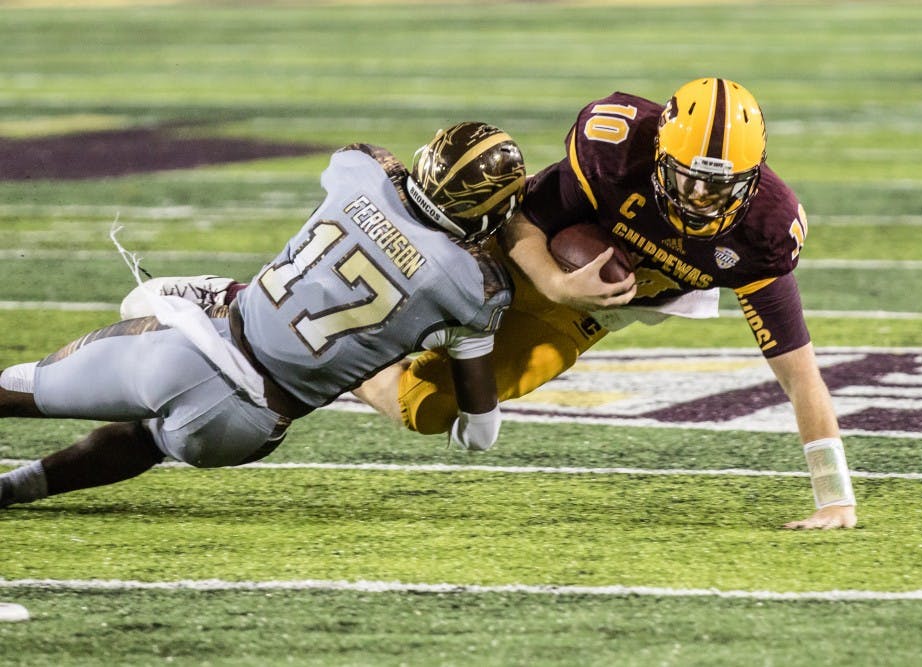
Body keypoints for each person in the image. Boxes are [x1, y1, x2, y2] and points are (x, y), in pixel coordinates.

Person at [113, 79, 858, 531]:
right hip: (509, 250)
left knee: (428, 408)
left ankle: (345, 370)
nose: (697, 198)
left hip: (592, 307)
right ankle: (236, 297)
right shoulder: (615, 146)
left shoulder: (762, 235)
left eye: (717, 185)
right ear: (658, 150)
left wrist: (834, 497)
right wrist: (555, 279)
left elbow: (799, 373)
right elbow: (527, 215)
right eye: (687, 176)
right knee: (385, 282)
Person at [0, 121, 526, 509]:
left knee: (24, 388)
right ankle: (11, 490)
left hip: (191, 355)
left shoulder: (362, 172)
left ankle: (219, 293)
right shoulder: (475, 291)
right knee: (146, 440)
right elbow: (479, 435)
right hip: (246, 430)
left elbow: (370, 163)